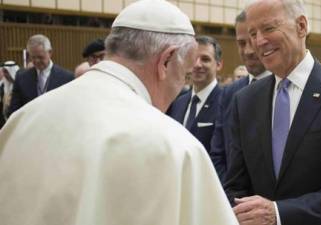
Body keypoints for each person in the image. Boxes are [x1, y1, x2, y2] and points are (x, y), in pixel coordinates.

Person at [0, 1, 238, 225]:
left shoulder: (25, 118)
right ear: (166, 61)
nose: (180, 87)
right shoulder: (173, 146)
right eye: (184, 75)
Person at [224, 1, 321, 225]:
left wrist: (279, 214)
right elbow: (235, 185)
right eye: (253, 34)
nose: (258, 42)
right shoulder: (245, 101)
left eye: (268, 29)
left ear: (301, 26)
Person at [209, 10, 271, 181]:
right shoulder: (229, 93)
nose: (249, 51)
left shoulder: (284, 90)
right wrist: (231, 198)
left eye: (253, 42)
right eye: (241, 43)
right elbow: (218, 153)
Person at [167, 35, 223, 153]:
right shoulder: (178, 103)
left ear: (219, 65)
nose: (197, 64)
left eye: (205, 59)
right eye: (193, 58)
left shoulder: (226, 102)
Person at [7, 34, 74, 116]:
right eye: (33, 57)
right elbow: (14, 111)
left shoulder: (67, 78)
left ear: (50, 52)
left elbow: (70, 109)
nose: (37, 61)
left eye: (40, 57)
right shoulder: (21, 78)